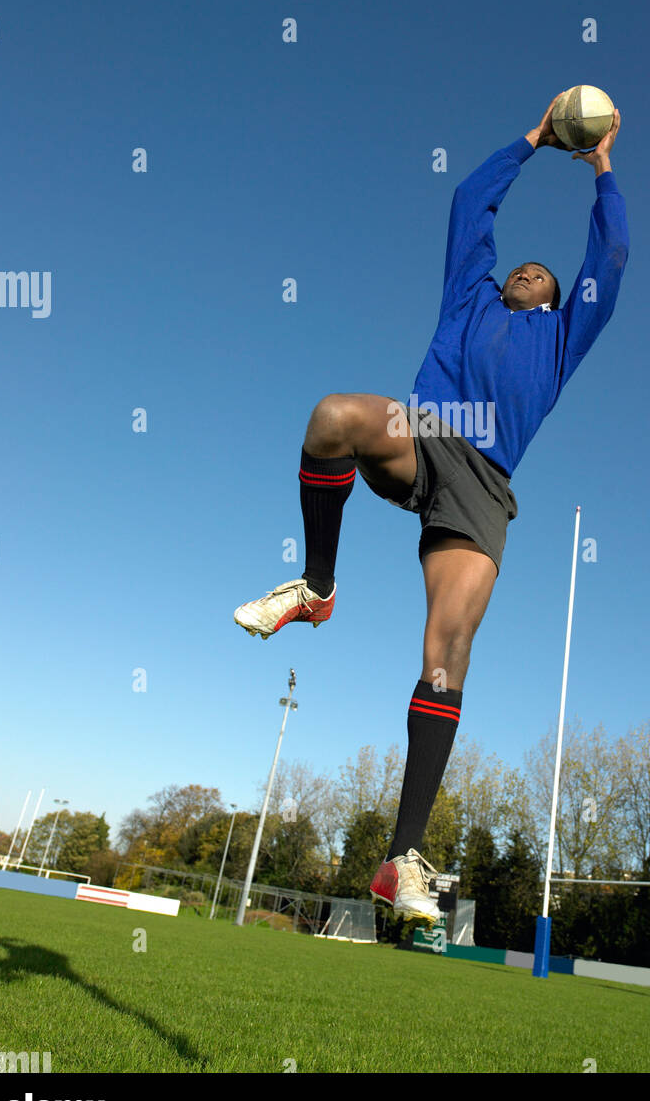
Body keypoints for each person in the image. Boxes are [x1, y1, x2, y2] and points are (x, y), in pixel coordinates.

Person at [234, 92, 629, 920]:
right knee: (333, 419)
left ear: (554, 300)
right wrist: (534, 134)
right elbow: (468, 201)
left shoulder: (560, 342)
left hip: (484, 486)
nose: (525, 269)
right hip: (422, 432)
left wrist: (600, 165)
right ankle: (315, 587)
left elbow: (611, 258)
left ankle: (401, 857)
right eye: (517, 265)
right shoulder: (469, 298)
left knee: (445, 654)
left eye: (540, 273)